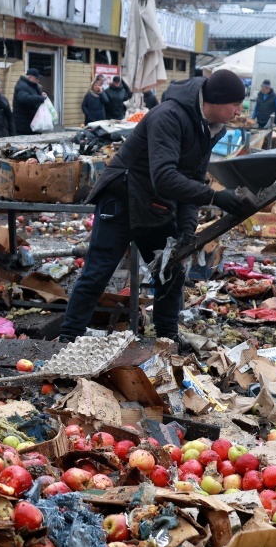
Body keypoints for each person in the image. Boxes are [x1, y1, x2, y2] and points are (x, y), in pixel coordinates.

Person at [58, 69, 255, 344]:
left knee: (171, 268)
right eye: (235, 105)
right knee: (99, 270)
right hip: (122, 195)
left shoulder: (210, 129)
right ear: (219, 101)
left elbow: (192, 177)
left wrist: (187, 230)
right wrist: (214, 197)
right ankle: (69, 337)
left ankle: (167, 339)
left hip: (154, 204)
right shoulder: (169, 116)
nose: (237, 113)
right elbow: (164, 177)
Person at [13, 68, 48, 135]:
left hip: (32, 124)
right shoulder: (22, 86)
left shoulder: (30, 85)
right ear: (30, 77)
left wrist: (41, 94)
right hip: (24, 126)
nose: (38, 80)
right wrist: (40, 98)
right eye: (36, 78)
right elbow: (23, 98)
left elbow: (32, 95)